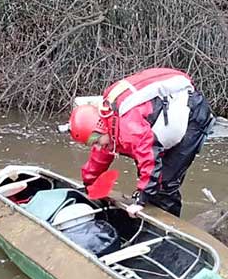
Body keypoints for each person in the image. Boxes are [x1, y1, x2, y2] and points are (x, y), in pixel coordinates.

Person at [68, 67, 214, 217]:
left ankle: (169, 225)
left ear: (99, 128)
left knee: (165, 182)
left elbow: (149, 158)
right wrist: (89, 184)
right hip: (159, 119)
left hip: (193, 116)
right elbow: (100, 156)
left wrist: (141, 200)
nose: (98, 146)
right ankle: (151, 204)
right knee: (150, 177)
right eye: (92, 144)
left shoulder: (128, 127)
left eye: (97, 142)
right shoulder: (106, 123)